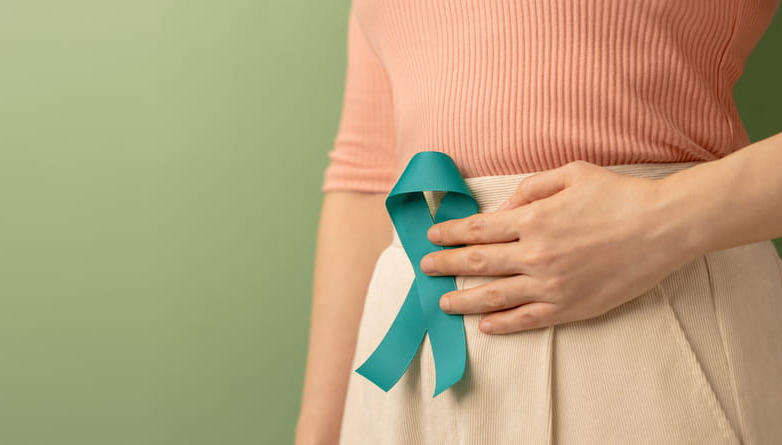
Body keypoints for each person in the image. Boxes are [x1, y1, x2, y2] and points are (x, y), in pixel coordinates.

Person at [296, 1, 782, 444]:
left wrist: (662, 218)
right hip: (406, 369)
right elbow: (368, 177)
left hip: (644, 310)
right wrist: (319, 433)